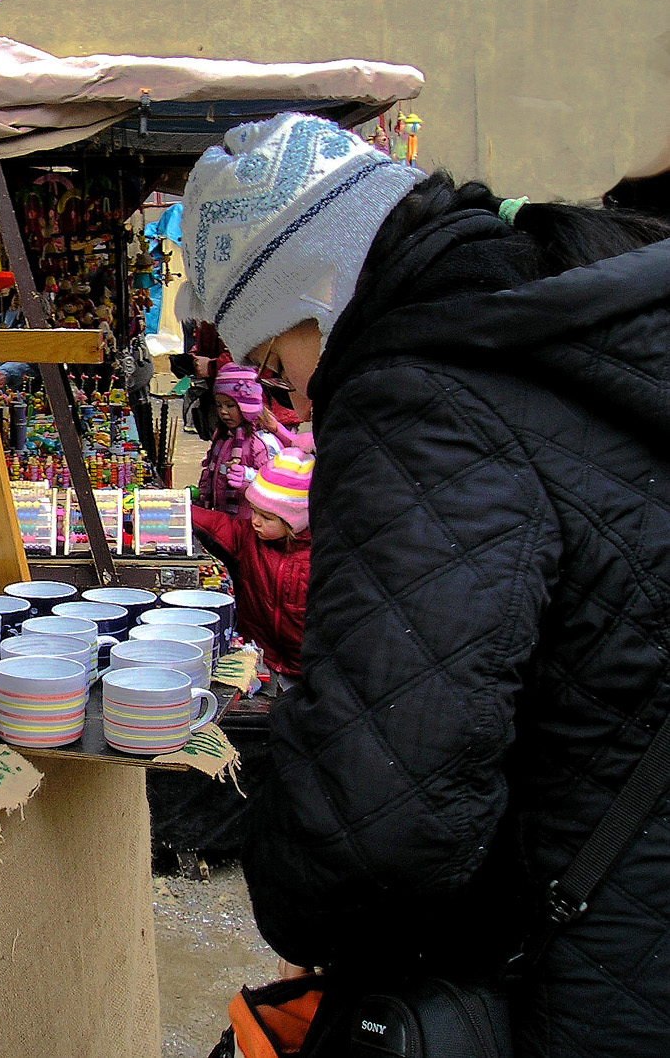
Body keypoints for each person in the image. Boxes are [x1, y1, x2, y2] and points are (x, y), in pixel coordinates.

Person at [177, 111, 670, 1057]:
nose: (296, 401)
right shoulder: (573, 315)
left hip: (581, 969)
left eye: (278, 364)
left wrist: (298, 899)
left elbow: (376, 815)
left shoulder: (420, 397)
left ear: (319, 290)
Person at [190, 450, 311, 692]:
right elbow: (217, 525)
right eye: (254, 510)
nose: (255, 520)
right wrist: (178, 508)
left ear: (292, 522)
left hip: (306, 669)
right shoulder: (248, 538)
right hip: (258, 658)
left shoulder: (319, 556)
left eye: (266, 517)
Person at [195, 364, 278, 518]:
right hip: (222, 515)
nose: (223, 411)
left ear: (247, 406)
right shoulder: (222, 436)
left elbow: (273, 484)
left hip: (248, 521)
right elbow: (211, 468)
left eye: (230, 405)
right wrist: (202, 494)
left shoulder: (261, 443)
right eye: (219, 405)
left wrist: (246, 476)